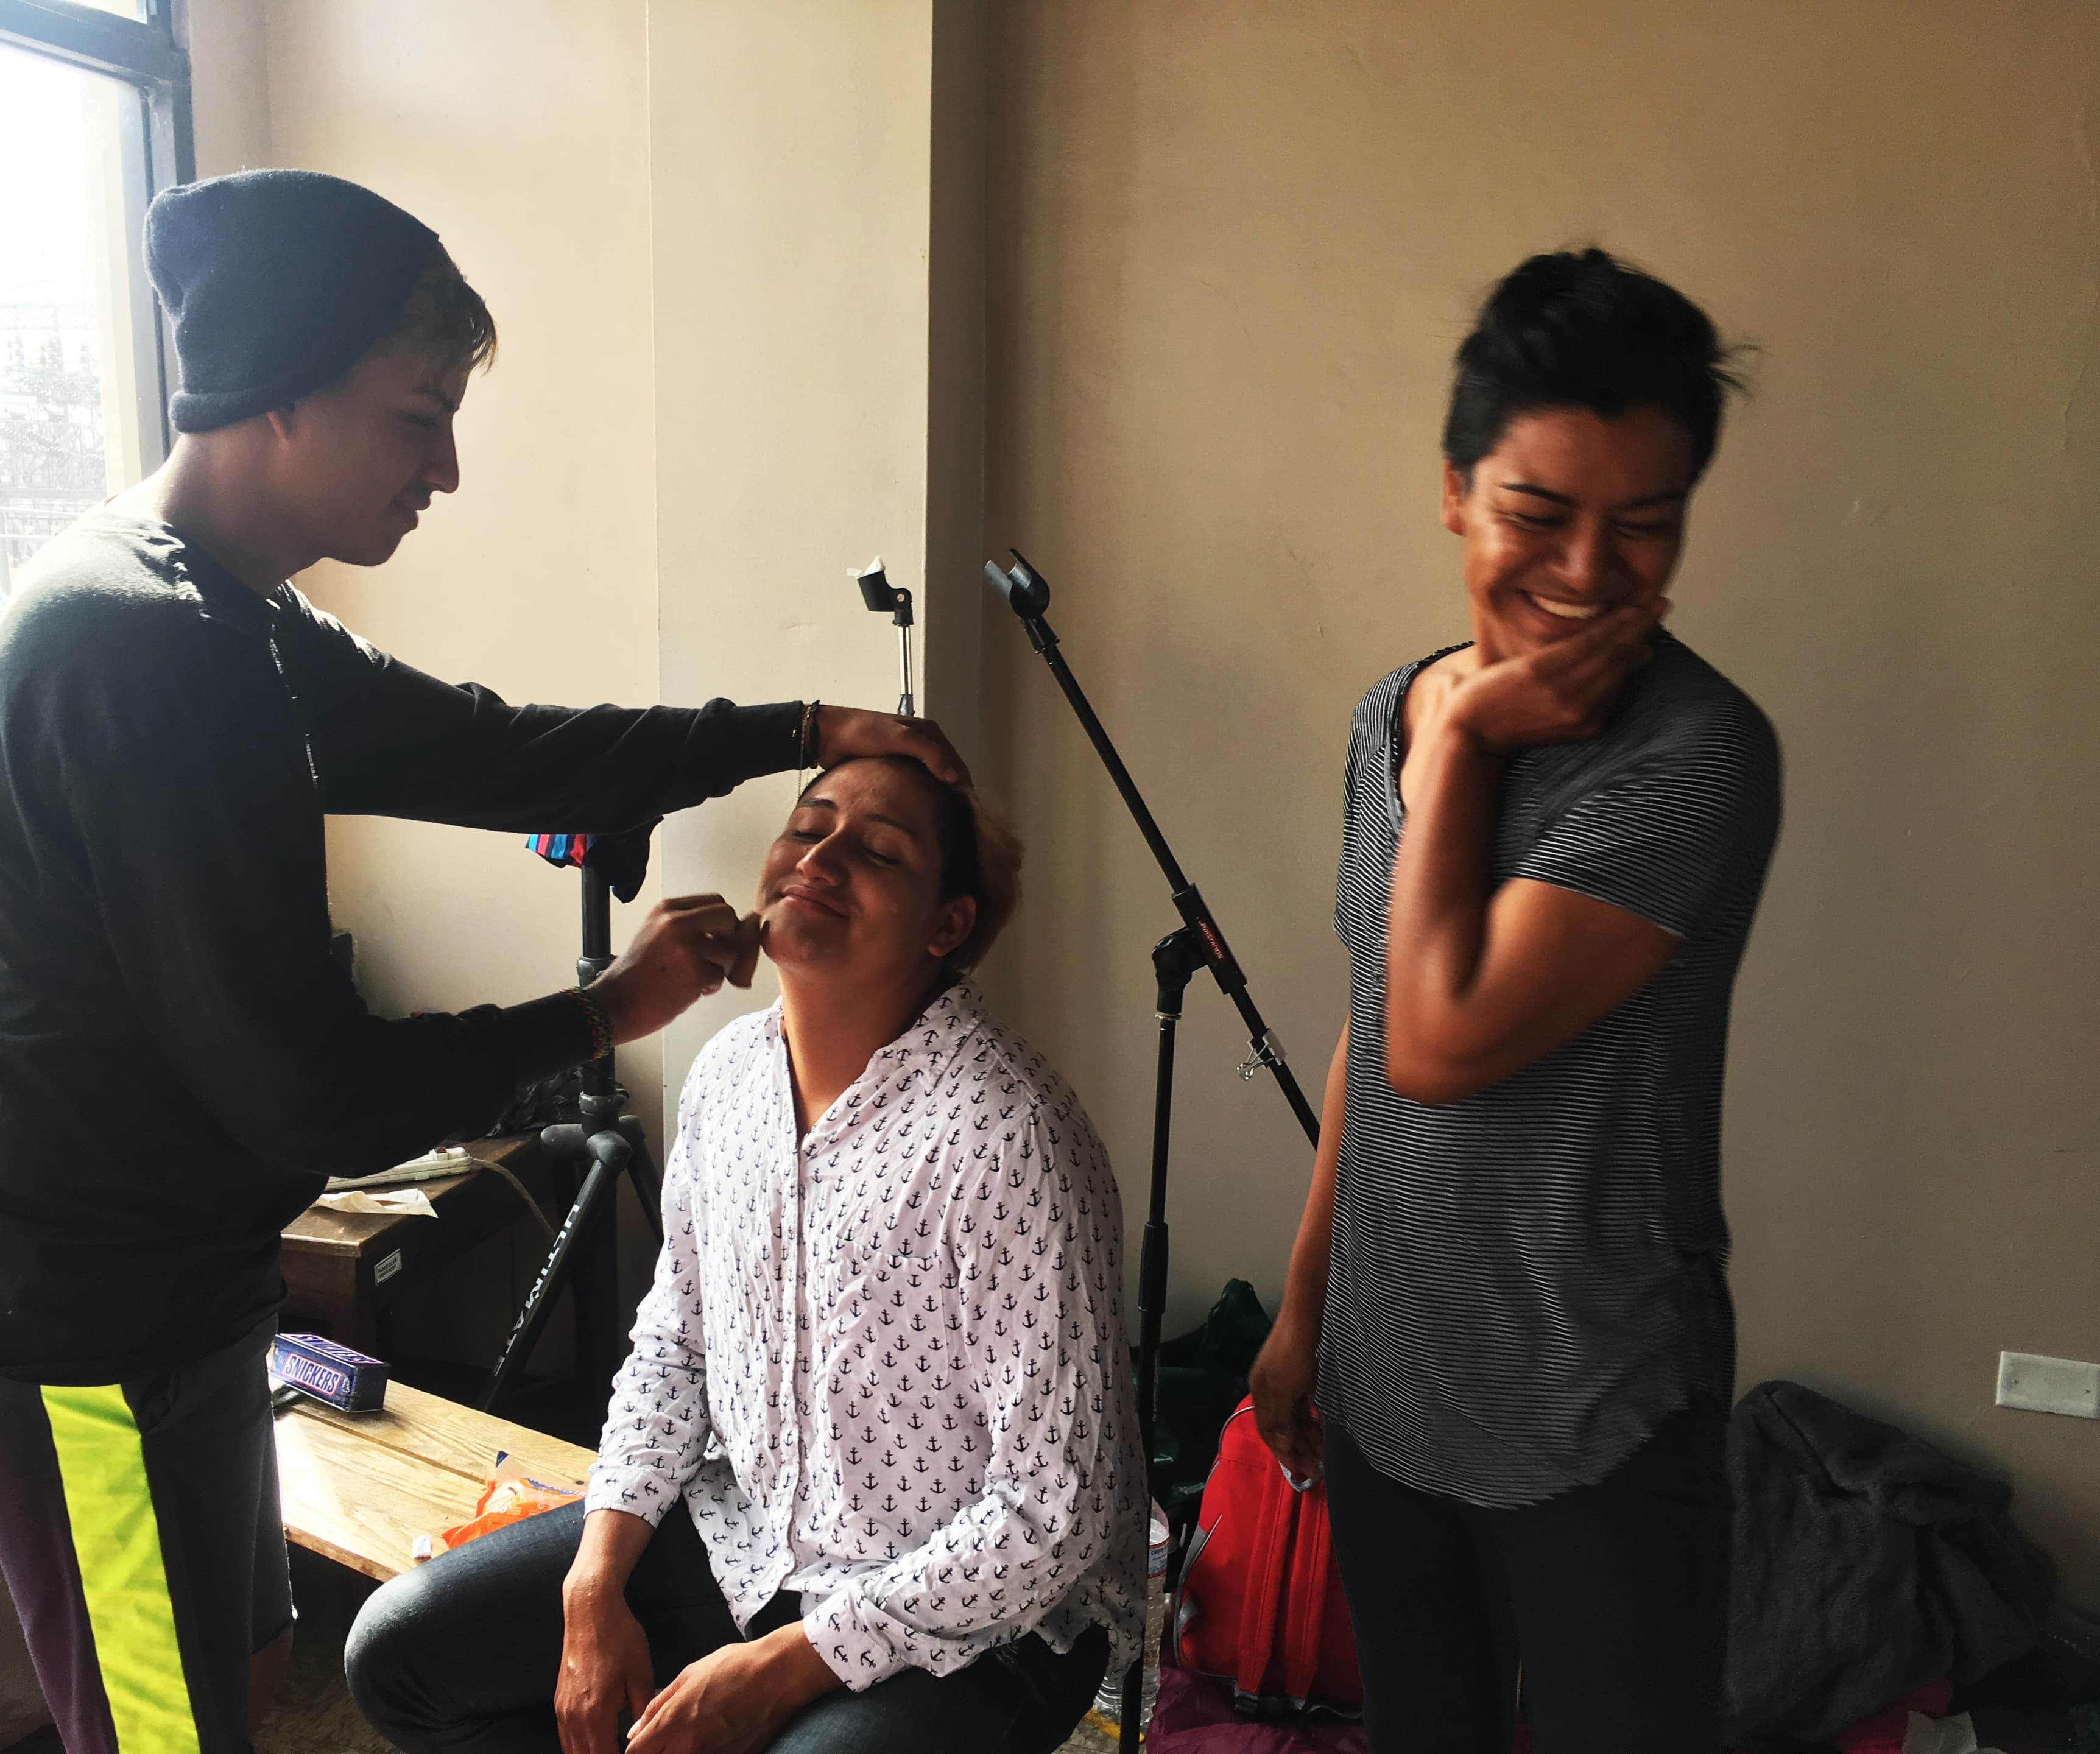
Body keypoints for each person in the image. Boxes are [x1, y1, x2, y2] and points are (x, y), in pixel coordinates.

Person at [0, 170, 964, 1754]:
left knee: (218, 1676)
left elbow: (499, 754)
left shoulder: (237, 621)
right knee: (158, 1727)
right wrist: (604, 1012)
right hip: (67, 1324)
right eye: (415, 415)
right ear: (276, 396)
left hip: (174, 1287)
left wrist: (790, 733)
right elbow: (308, 1098)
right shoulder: (143, 656)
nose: (446, 465)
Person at [1247, 249, 1781, 1752]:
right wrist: (1307, 1308)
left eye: (1647, 526)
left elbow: (1444, 1039)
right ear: (1454, 490)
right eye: (1538, 514)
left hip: (1597, 1408)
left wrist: (1474, 738)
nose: (1588, 571)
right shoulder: (1387, 717)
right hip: (1395, 1378)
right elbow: (1377, 1008)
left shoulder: (1698, 753)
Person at [345, 755, 1144, 1754]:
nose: (825, 855)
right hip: (752, 1537)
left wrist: (786, 1665)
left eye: (881, 850)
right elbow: (675, 1345)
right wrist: (593, 1583)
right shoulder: (728, 1079)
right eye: (809, 825)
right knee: (403, 1653)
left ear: (948, 928)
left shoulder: (1004, 1137)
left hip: (985, 1619)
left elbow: (1055, 1511)